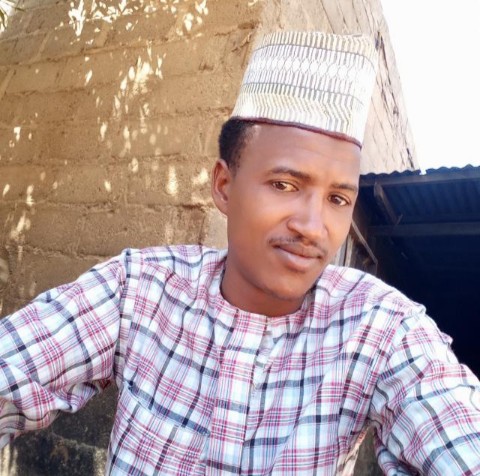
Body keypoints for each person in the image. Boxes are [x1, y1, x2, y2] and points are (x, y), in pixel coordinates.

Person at [0, 30, 479, 476]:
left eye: (337, 199)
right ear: (224, 186)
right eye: (284, 184)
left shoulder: (379, 327)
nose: (313, 226)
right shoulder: (139, 290)